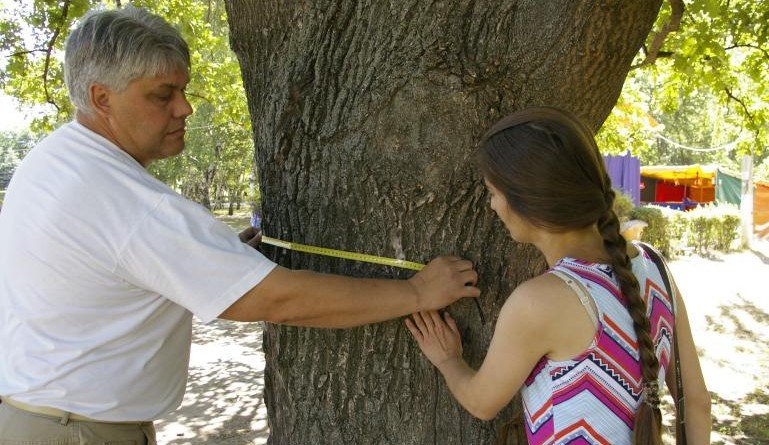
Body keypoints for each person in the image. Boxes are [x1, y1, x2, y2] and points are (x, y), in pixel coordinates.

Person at [0, 6, 480, 444]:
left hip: (44, 419)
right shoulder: (130, 204)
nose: (184, 108)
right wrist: (417, 294)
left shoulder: (56, 159)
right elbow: (280, 299)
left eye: (183, 91)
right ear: (101, 98)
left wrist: (218, 258)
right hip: (78, 433)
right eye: (162, 95)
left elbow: (109, 270)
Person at [405, 107, 711, 444]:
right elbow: (695, 402)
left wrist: (449, 360)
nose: (492, 206)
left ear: (527, 201)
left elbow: (482, 402)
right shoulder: (655, 267)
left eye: (493, 193)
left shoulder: (541, 301)